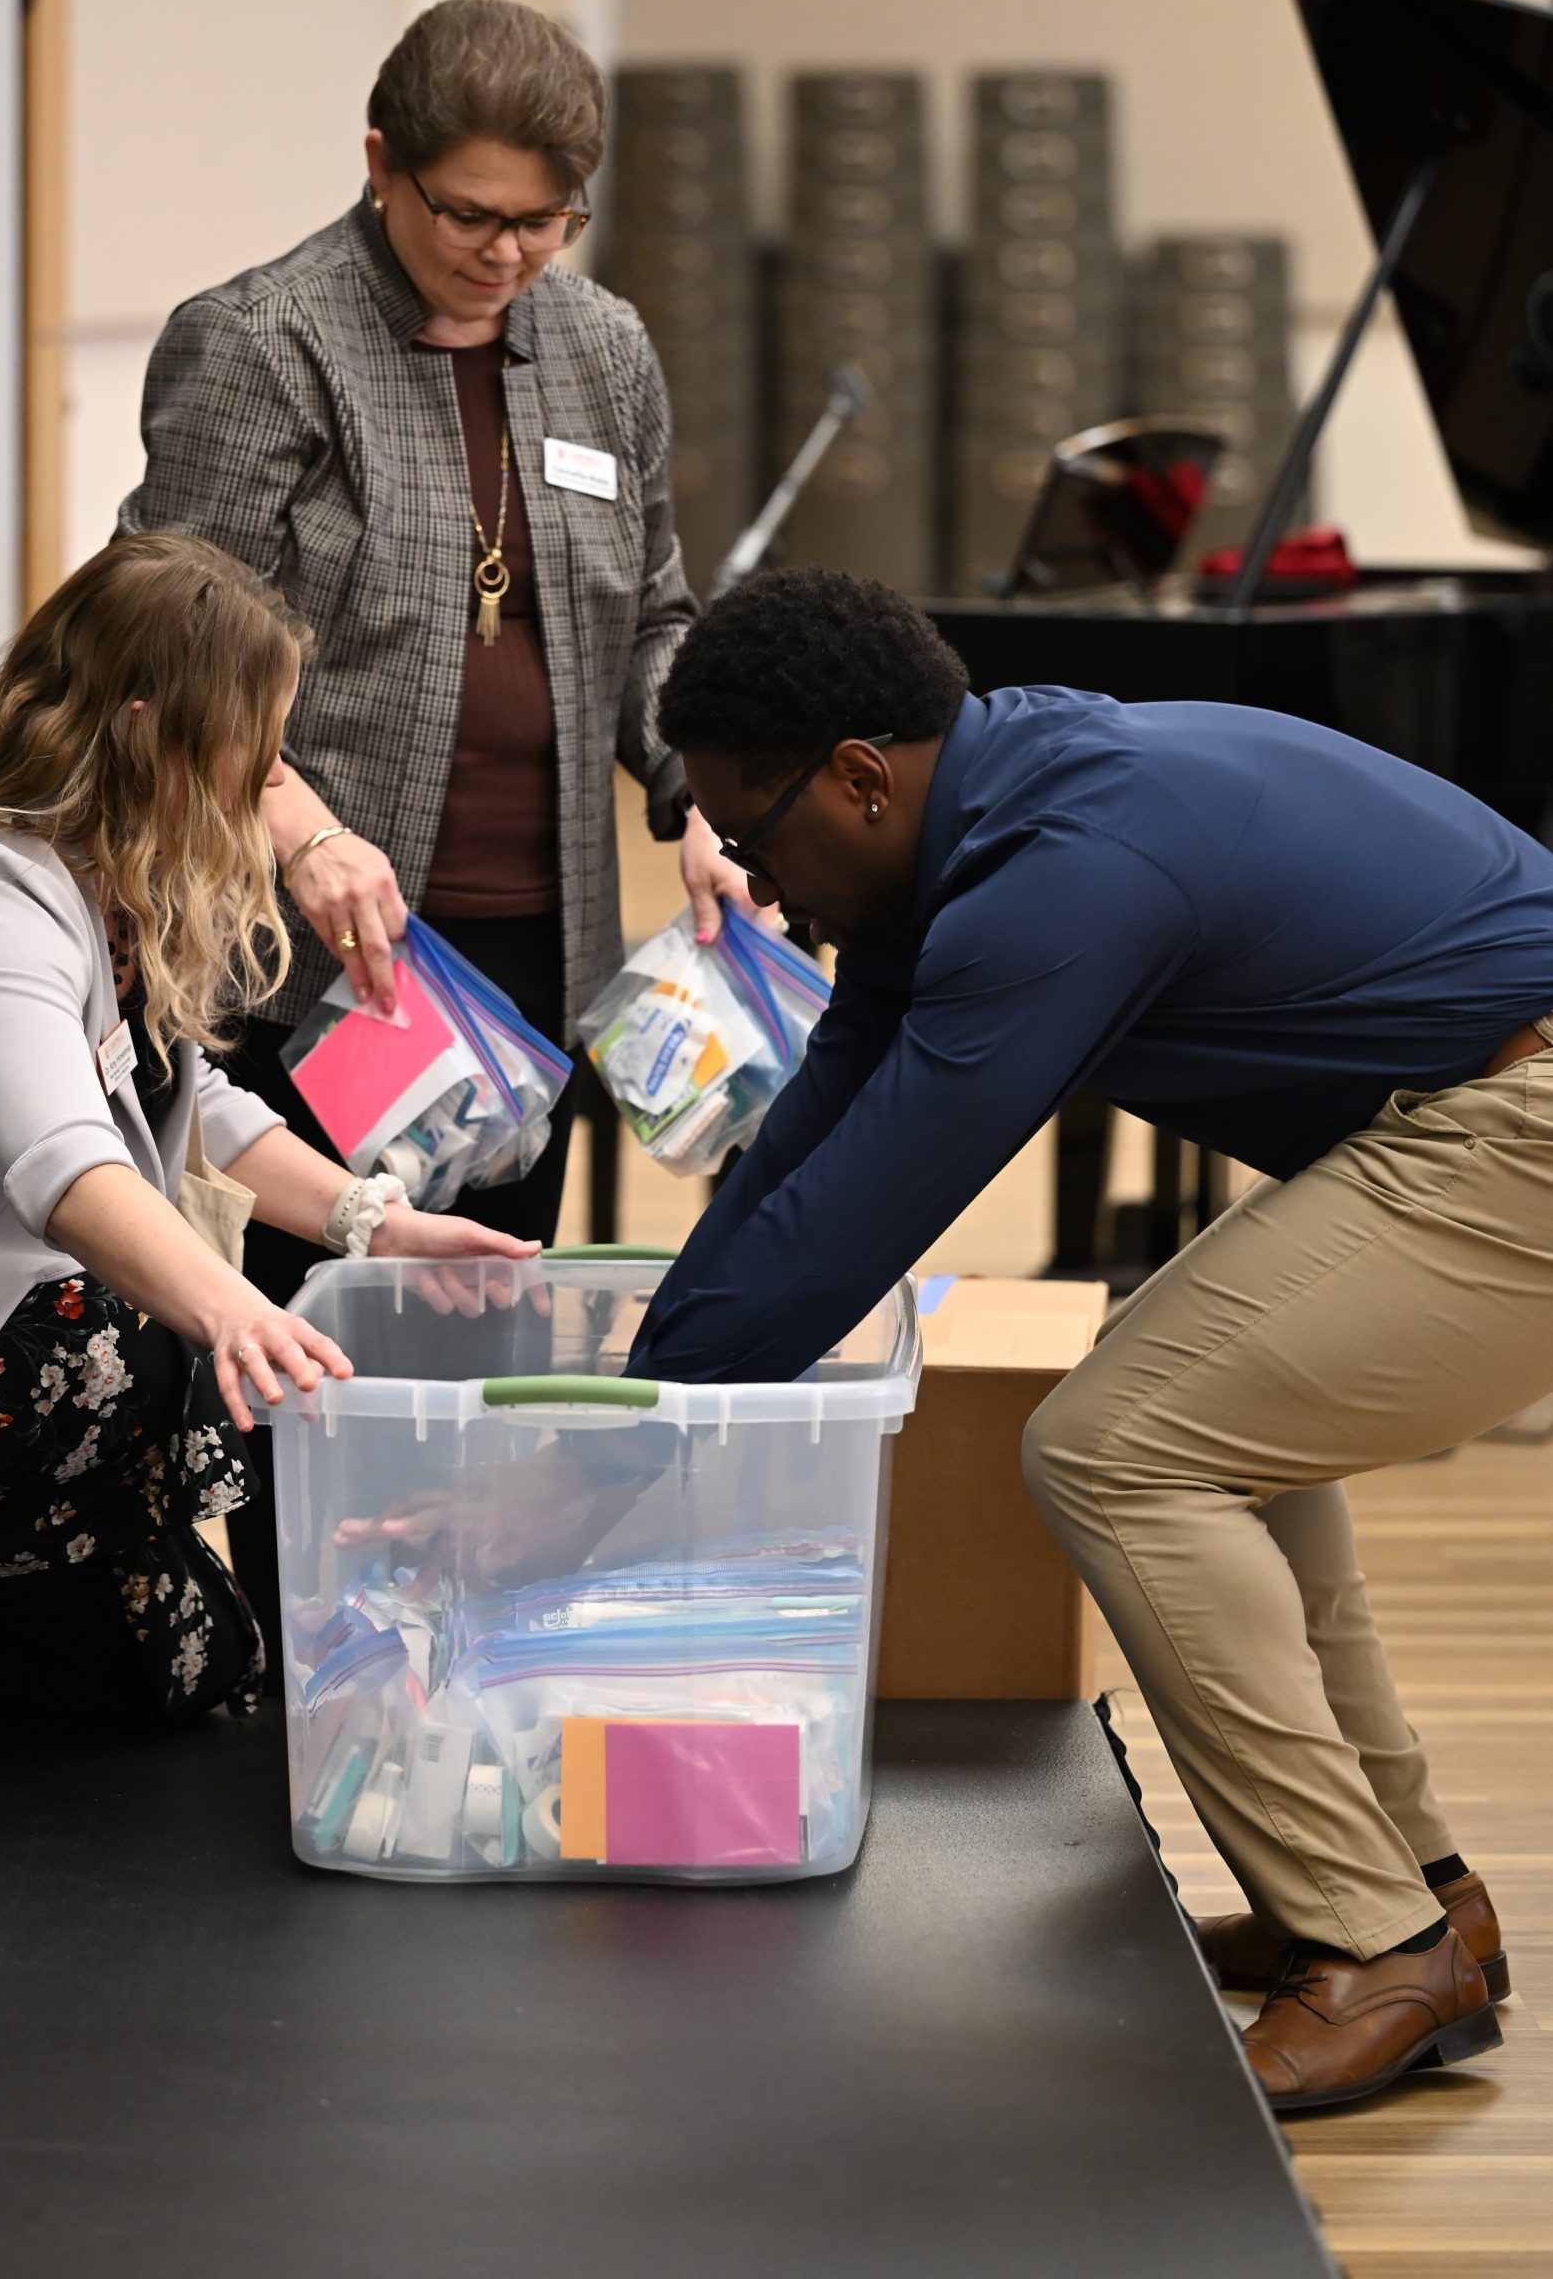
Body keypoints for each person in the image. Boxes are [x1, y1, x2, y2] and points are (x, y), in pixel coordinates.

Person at [628, 563, 1553, 2114]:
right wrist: (641, 1383)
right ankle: (1406, 1888)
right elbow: (807, 1145)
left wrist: (608, 1465)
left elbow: (869, 1219)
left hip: (1519, 1124)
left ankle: (1381, 1946)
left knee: (1112, 1447)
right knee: (1203, 1423)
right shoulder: (980, 817)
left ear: (860, 779)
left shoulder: (1061, 870)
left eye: (753, 829)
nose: (755, 885)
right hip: (1467, 1109)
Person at [118, 0, 751, 1636]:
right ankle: (282, 1647)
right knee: (310, 1342)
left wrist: (703, 794)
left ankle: (453, 1641)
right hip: (304, 948)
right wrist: (301, 823)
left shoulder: (599, 346)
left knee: (482, 1302)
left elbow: (655, 616)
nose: (505, 255)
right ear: (382, 166)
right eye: (469, 215)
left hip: (527, 947)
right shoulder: (262, 342)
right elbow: (166, 647)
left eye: (543, 222)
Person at [0, 535, 537, 1754]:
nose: (273, 781)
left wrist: (377, 1222)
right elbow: (61, 1163)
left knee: (194, 1664)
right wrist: (228, 1309)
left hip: (34, 1370)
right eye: (253, 748)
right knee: (130, 1337)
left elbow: (191, 1105)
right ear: (141, 727)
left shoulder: (102, 876)